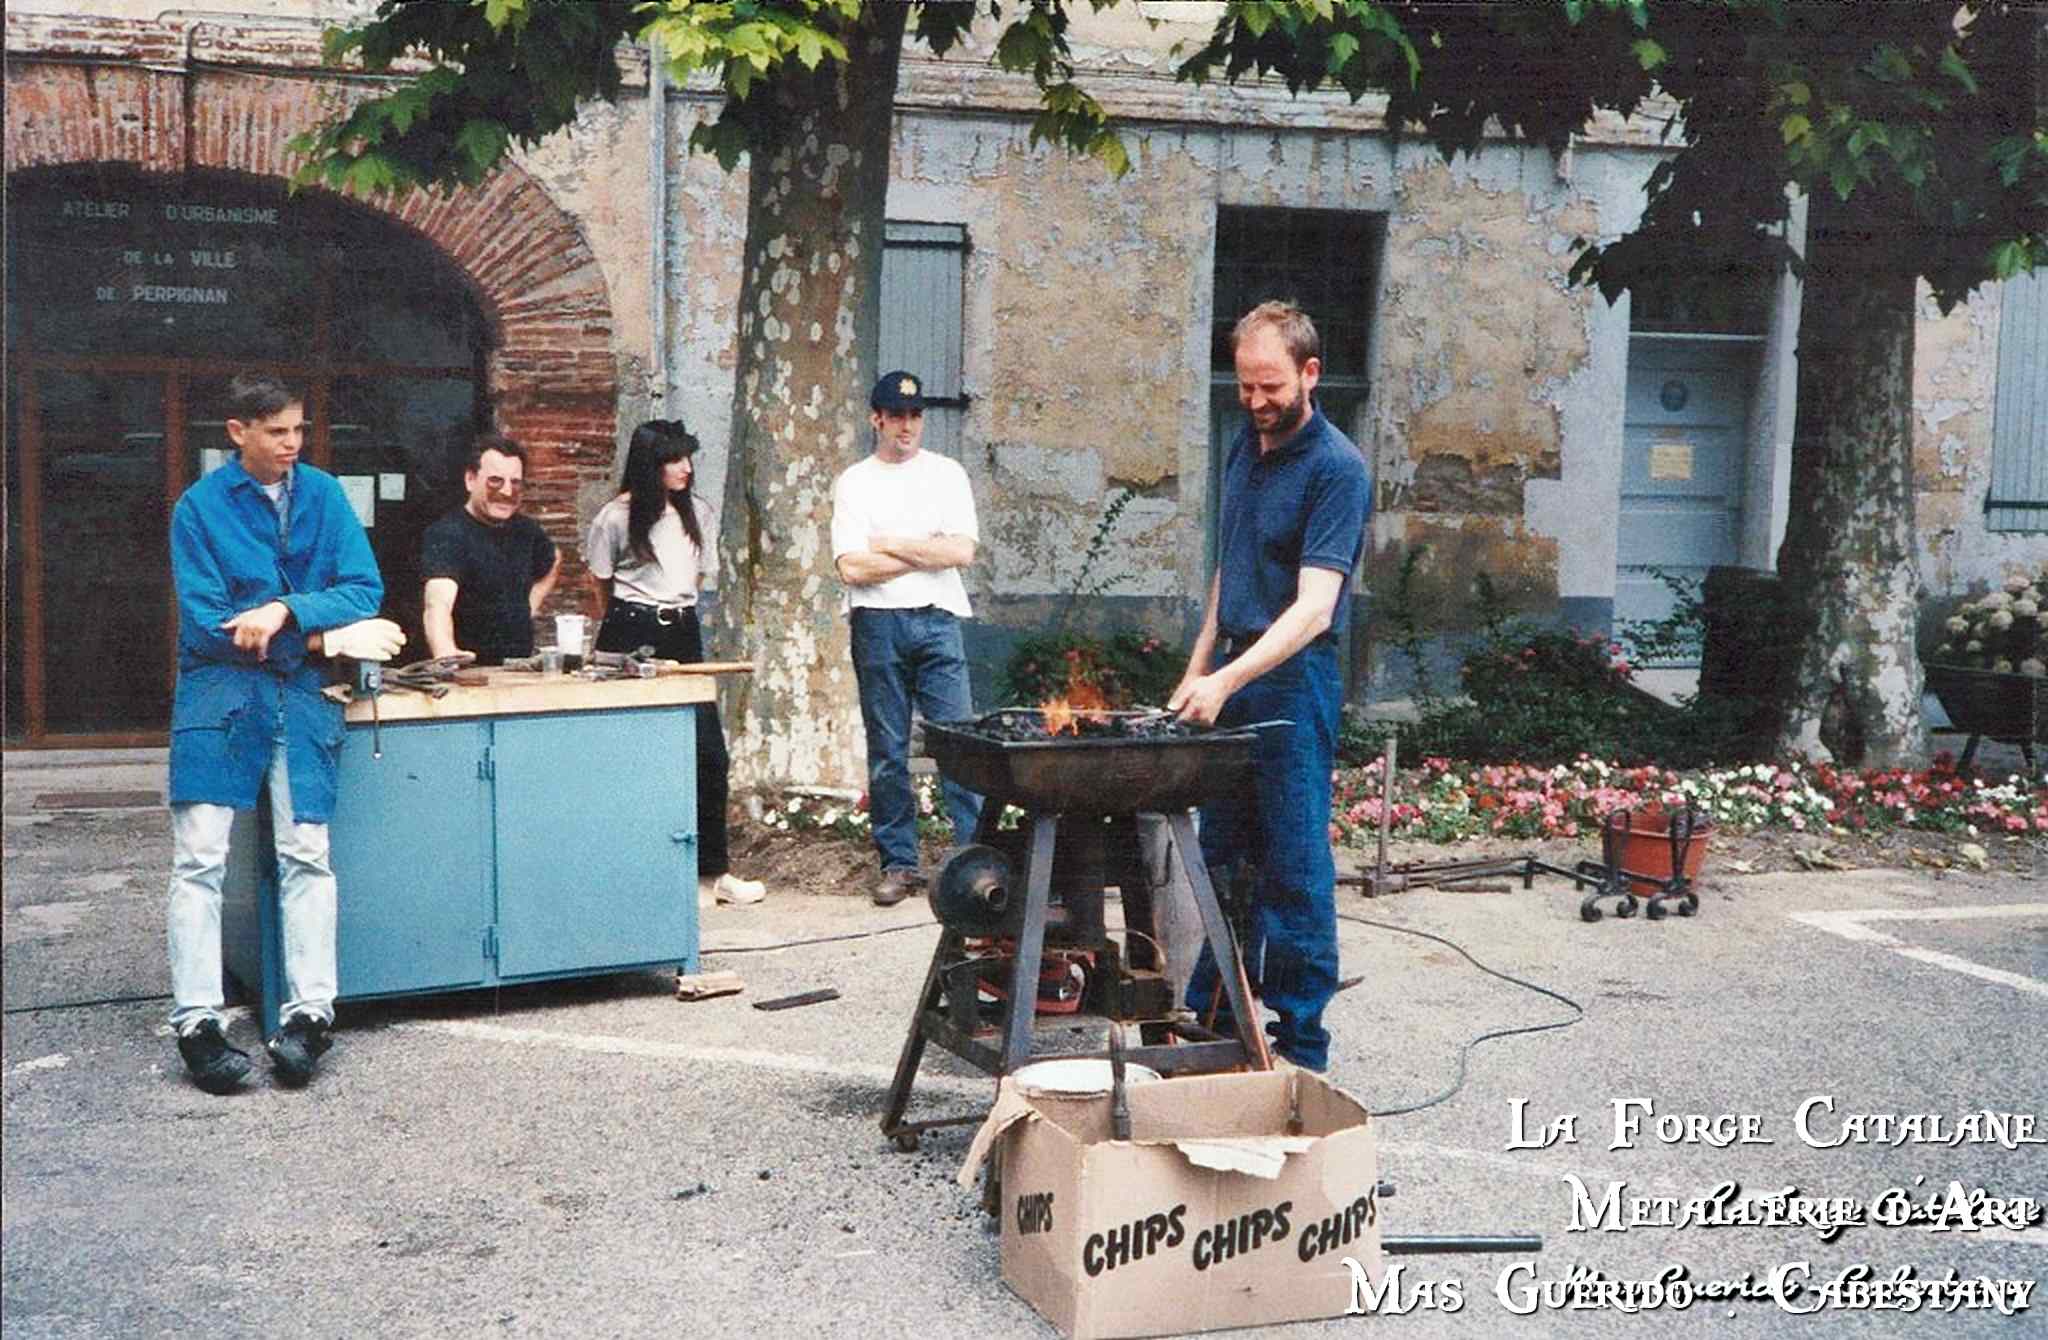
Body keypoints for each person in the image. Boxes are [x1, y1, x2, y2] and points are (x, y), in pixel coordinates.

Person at [166, 372, 406, 1093]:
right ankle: (198, 1023)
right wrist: (325, 636)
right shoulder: (198, 510)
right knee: (200, 857)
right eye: (277, 433)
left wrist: (280, 611)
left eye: (299, 430)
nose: (293, 446)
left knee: (307, 852)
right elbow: (209, 625)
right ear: (238, 433)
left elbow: (365, 589)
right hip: (220, 696)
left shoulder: (326, 495)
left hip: (299, 702)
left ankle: (309, 1018)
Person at [1167, 301, 1371, 1074]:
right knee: (1222, 848)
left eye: (1271, 387)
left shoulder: (1337, 470)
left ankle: (1302, 1041)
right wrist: (1198, 665)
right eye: (1246, 386)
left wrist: (1228, 678)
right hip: (1236, 673)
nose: (1256, 402)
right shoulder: (1244, 449)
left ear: (1310, 374)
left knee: (1291, 861)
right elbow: (1234, 566)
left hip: (1294, 680)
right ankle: (1215, 1010)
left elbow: (1315, 608)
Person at [585, 420, 766, 909]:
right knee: (633, 756)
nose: (686, 468)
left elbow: (696, 576)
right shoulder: (616, 517)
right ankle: (636, 875)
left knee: (709, 753)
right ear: (650, 464)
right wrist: (626, 631)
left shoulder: (698, 514)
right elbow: (600, 584)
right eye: (673, 459)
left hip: (683, 630)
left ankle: (715, 874)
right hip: (629, 629)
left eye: (688, 458)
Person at [831, 371, 984, 906]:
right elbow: (851, 567)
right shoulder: (855, 482)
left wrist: (891, 544)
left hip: (939, 619)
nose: (906, 425)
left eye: (915, 415)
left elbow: (961, 553)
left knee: (960, 743)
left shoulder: (946, 475)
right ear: (876, 418)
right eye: (896, 415)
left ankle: (974, 858)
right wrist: (926, 548)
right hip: (878, 624)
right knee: (888, 750)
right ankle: (899, 861)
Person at [420, 434, 560, 664]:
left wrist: (527, 608)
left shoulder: (527, 530)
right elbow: (437, 603)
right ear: (470, 480)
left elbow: (554, 559)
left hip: (518, 670)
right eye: (495, 480)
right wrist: (445, 652)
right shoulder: (448, 534)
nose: (506, 492)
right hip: (468, 674)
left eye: (515, 483)